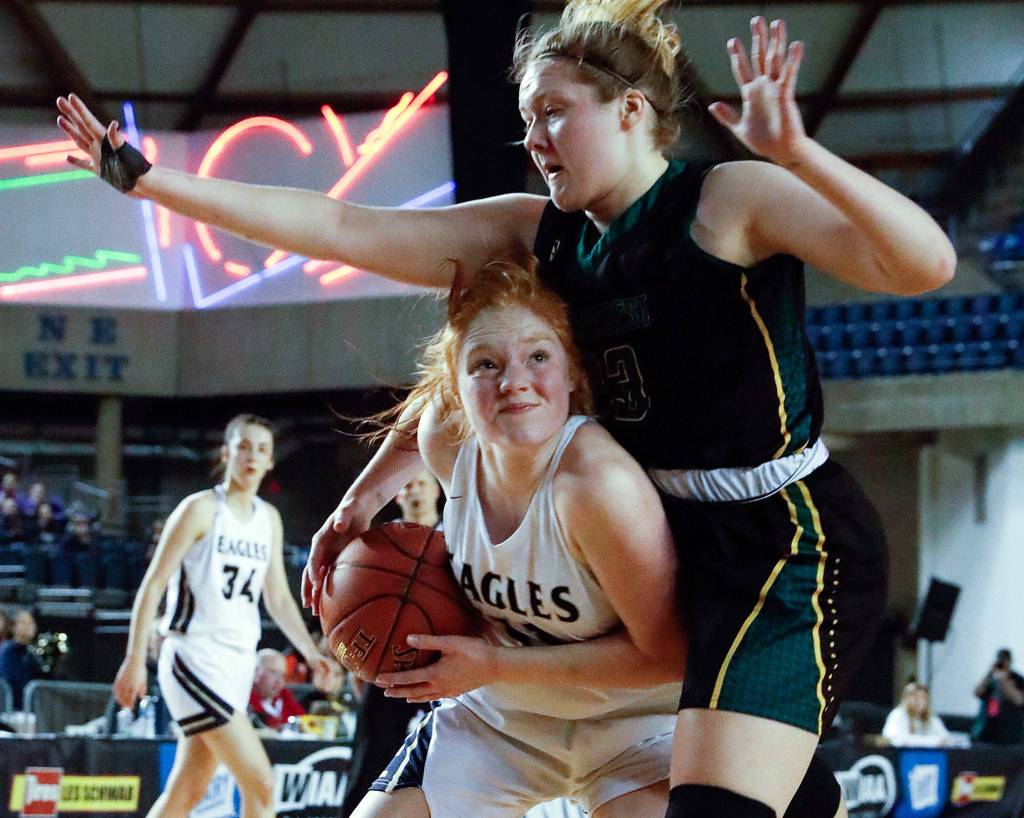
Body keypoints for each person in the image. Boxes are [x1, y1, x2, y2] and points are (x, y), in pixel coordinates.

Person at [57, 2, 957, 814]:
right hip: (664, 529)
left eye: (555, 113)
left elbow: (926, 268)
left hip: (779, 536)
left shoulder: (726, 202)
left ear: (632, 110)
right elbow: (341, 227)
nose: (535, 139)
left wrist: (796, 153)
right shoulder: (541, 232)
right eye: (527, 122)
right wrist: (153, 184)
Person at [350, 261, 684, 818]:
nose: (513, 382)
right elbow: (422, 416)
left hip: (636, 725)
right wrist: (356, 503)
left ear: (574, 373)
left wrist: (494, 664)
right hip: (500, 721)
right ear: (454, 389)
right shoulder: (447, 443)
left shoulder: (597, 487)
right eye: (485, 364)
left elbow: (671, 655)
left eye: (538, 356)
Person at [113, 414, 336, 818]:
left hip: (236, 663)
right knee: (263, 785)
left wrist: (310, 652)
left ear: (271, 462)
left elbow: (278, 598)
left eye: (262, 449)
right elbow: (153, 584)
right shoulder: (199, 510)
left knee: (187, 793)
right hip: (192, 658)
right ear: (227, 453)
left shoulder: (268, 519)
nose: (252, 456)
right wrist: (133, 659)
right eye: (244, 446)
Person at [340, 469, 441, 817]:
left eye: (421, 484)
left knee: (447, 759)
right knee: (371, 757)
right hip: (389, 664)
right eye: (407, 485)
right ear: (397, 495)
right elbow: (355, 608)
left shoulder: (458, 537)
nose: (414, 491)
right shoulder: (381, 543)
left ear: (436, 492)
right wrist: (356, 660)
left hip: (443, 666)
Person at [972, 648, 1024, 744]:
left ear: (1010, 661)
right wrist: (989, 674)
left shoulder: (1018, 679)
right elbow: (977, 693)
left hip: (1011, 732)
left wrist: (1004, 680)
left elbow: (1019, 700)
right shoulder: (991, 677)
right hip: (988, 729)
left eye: (1005, 660)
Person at [249, 647, 306, 731]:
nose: (279, 681)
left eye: (282, 675)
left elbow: (303, 723)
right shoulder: (244, 700)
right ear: (256, 672)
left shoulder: (284, 696)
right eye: (273, 673)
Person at [881, 682, 950, 747]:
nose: (919, 701)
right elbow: (897, 740)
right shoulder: (898, 715)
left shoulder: (931, 719)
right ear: (906, 699)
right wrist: (933, 741)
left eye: (923, 698)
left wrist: (937, 741)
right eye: (915, 697)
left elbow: (944, 739)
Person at [0, 608, 43, 709]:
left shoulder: (31, 652)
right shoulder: (9, 651)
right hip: (12, 709)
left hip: (28, 707)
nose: (30, 627)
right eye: (24, 623)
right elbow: (10, 679)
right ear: (12, 627)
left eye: (32, 623)